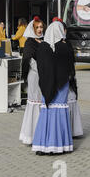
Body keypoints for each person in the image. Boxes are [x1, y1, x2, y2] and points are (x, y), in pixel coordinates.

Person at [32, 21, 74, 155]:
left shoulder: (42, 47)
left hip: (46, 85)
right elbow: (70, 67)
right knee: (59, 111)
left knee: (47, 111)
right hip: (62, 85)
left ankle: (43, 144)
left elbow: (40, 68)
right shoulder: (65, 47)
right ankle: (57, 145)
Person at [53, 17, 83, 138]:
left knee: (71, 99)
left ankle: (73, 129)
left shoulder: (67, 43)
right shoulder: (53, 44)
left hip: (69, 77)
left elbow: (72, 60)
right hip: (60, 79)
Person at [18, 17, 45, 145]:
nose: (40, 30)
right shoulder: (29, 42)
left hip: (43, 77)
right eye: (37, 28)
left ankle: (40, 133)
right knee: (35, 102)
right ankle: (31, 135)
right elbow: (26, 61)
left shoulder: (43, 41)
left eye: (41, 27)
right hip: (34, 77)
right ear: (32, 29)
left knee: (40, 103)